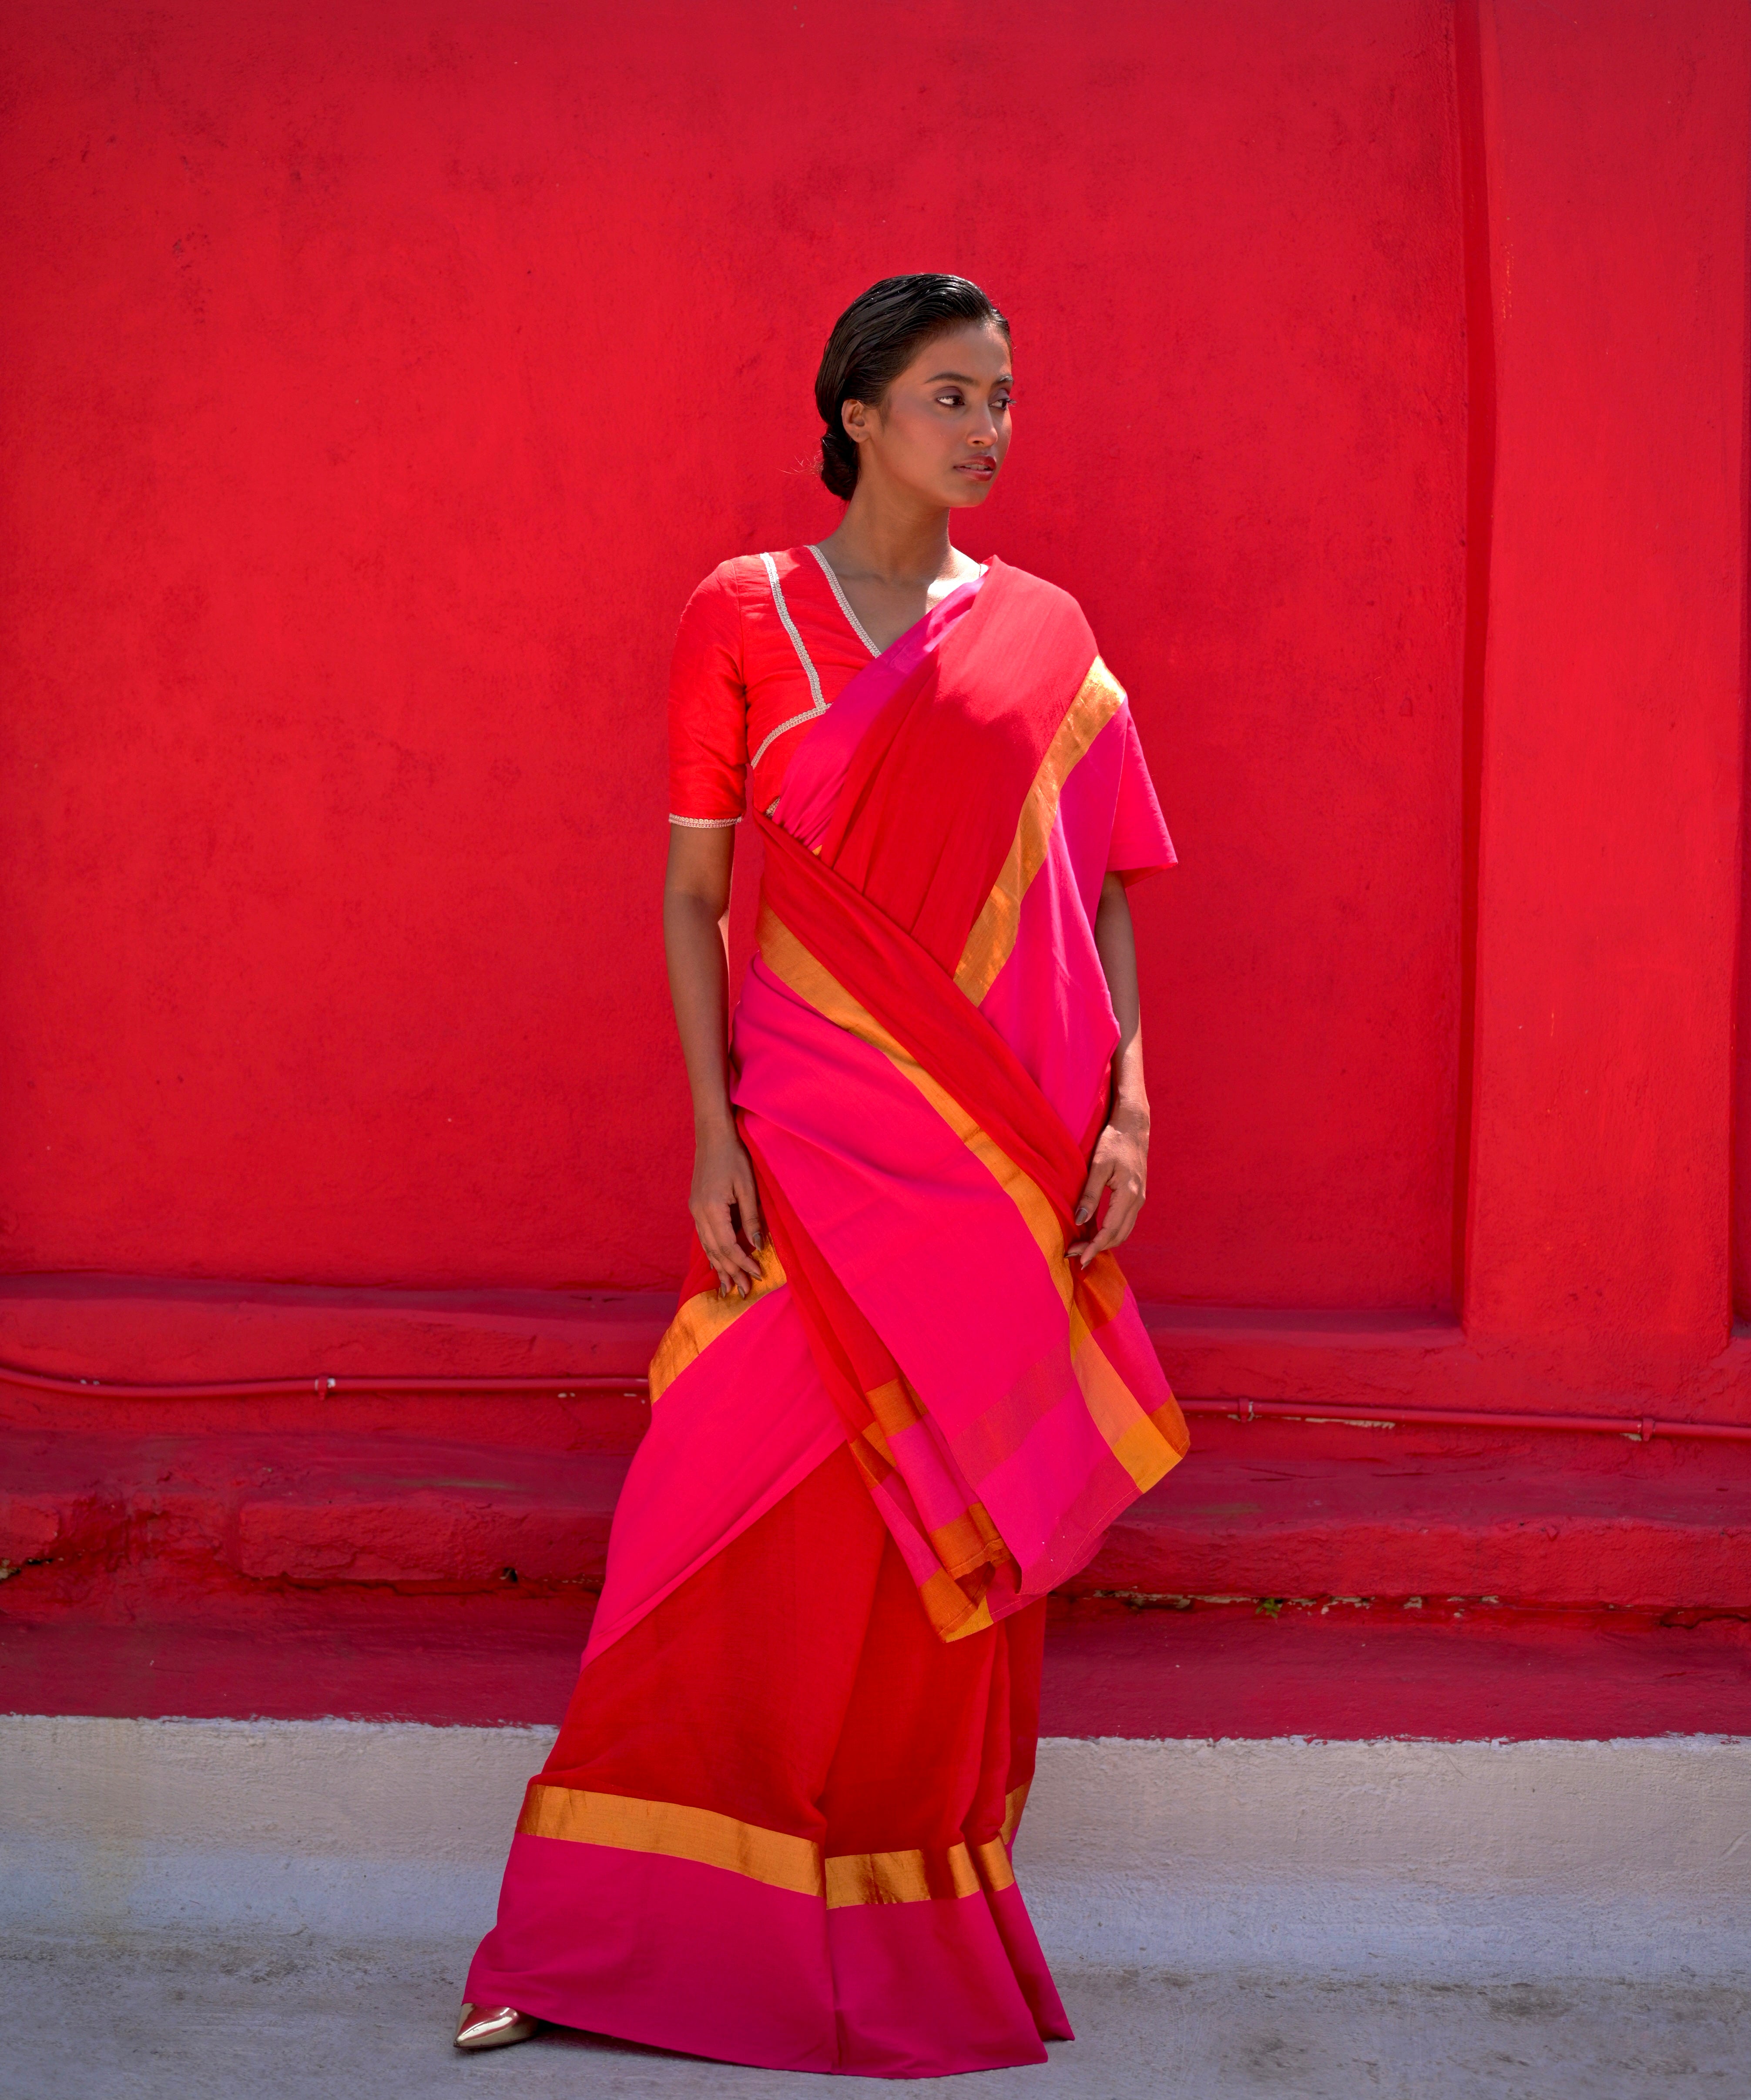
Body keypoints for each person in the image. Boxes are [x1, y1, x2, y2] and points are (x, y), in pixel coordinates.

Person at [456, 272, 1187, 2077]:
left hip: (998, 1160)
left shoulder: (1044, 634)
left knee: (933, 1551)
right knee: (696, 1521)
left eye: (1003, 396)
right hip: (805, 1146)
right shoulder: (744, 614)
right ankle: (602, 1940)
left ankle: (899, 1937)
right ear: (855, 411)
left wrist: (1128, 1109)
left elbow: (1099, 885)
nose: (989, 428)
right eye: (951, 395)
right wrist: (709, 1128)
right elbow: (696, 898)